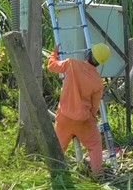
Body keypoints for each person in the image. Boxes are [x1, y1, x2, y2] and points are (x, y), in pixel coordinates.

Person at [47, 42, 111, 176]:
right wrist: (91, 121)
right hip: (83, 120)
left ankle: (52, 174)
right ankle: (97, 175)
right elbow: (94, 107)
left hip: (64, 118)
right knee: (94, 145)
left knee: (57, 149)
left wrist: (54, 53)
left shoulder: (71, 64)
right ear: (99, 63)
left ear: (89, 54)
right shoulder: (98, 82)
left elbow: (52, 66)